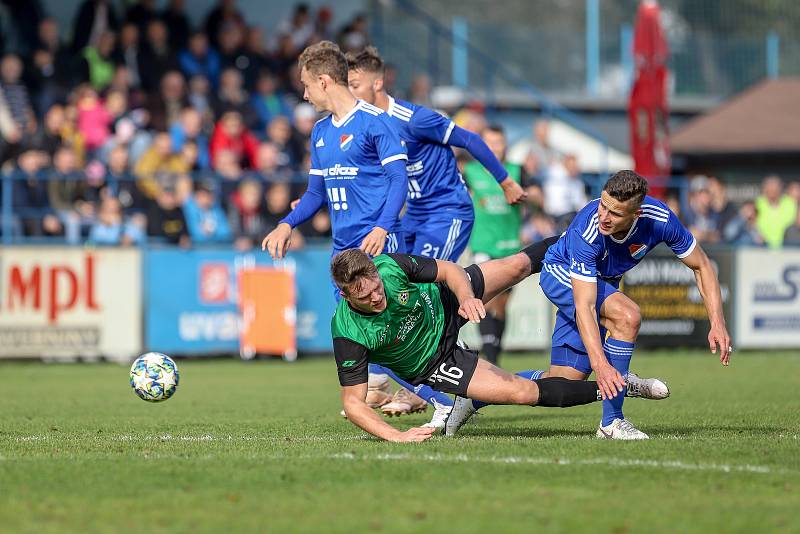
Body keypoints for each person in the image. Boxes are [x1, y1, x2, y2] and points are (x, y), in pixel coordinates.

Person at [448, 170, 731, 440]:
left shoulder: (661, 219)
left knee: (563, 383)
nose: (604, 217)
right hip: (560, 273)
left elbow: (702, 265)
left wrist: (717, 322)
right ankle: (612, 422)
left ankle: (475, 395)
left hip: (599, 283)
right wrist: (602, 365)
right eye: (603, 206)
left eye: (615, 213)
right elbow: (585, 305)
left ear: (637, 214)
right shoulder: (589, 227)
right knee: (627, 316)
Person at [345, 46, 527, 421]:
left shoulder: (413, 118)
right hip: (411, 218)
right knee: (397, 286)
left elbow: (472, 141)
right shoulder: (367, 125)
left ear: (377, 83)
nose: (351, 92)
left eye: (355, 84)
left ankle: (429, 388)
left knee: (428, 289)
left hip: (447, 213)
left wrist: (506, 181)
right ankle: (396, 380)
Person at [331, 239, 623, 442]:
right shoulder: (348, 331)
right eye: (364, 297)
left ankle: (580, 236)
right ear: (345, 295)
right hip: (436, 361)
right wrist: (398, 436)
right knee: (522, 393)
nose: (377, 297)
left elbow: (448, 270)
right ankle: (624, 387)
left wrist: (466, 297)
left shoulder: (389, 267)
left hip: (447, 302)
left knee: (516, 266)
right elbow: (354, 403)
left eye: (377, 288)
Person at [262, 41, 408, 264]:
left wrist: (382, 228)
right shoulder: (320, 131)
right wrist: (286, 224)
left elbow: (399, 179)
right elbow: (315, 193)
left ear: (323, 82)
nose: (304, 95)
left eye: (306, 85)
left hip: (379, 244)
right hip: (342, 250)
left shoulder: (376, 121)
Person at [463, 125, 527, 365]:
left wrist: (534, 197)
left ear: (505, 145)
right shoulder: (469, 172)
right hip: (482, 246)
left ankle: (494, 357)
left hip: (510, 246)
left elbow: (535, 195)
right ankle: (489, 361)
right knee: (485, 299)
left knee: (502, 305)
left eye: (498, 143)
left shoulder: (517, 171)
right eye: (489, 143)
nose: (494, 148)